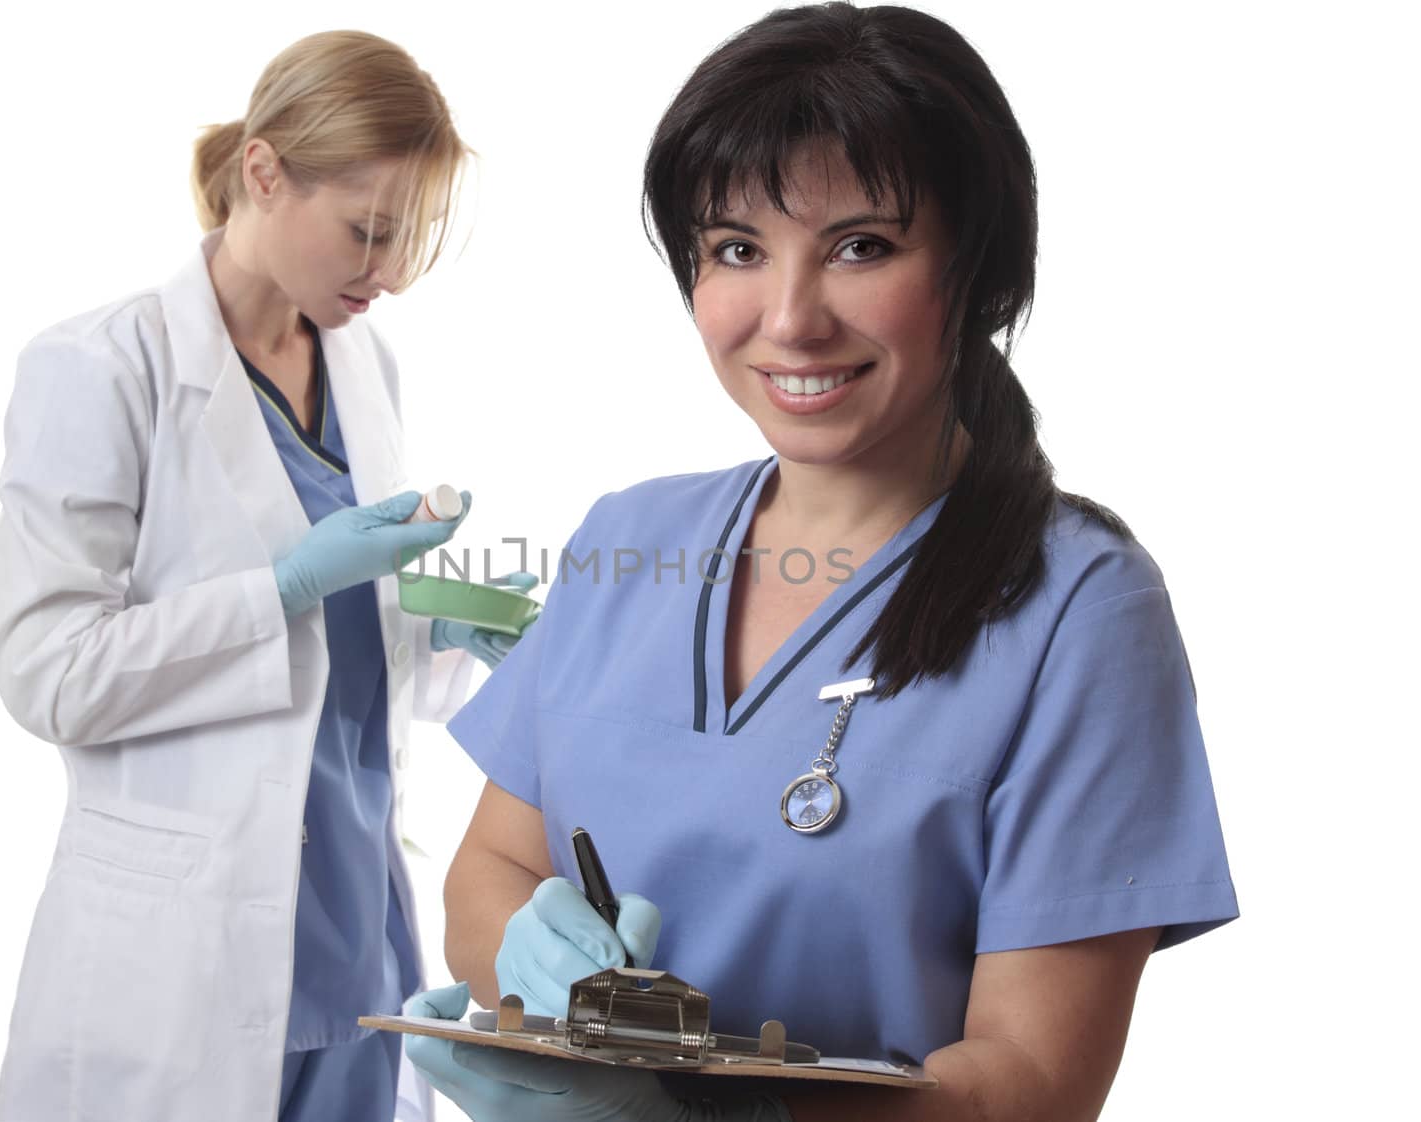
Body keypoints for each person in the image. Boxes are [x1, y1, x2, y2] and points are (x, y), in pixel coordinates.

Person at [401, 5, 1238, 1121]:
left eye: (861, 246)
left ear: (976, 270)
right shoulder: (627, 539)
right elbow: (487, 875)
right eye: (736, 250)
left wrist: (720, 1116)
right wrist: (531, 963)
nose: (789, 319)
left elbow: (1033, 1083)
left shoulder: (1077, 610)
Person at [0, 30, 529, 1122]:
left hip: (349, 921)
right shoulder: (101, 367)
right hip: (179, 954)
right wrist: (283, 586)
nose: (391, 274)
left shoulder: (364, 365)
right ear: (264, 171)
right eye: (368, 233)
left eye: (410, 240)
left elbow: (351, 669)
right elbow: (47, 675)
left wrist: (443, 624)